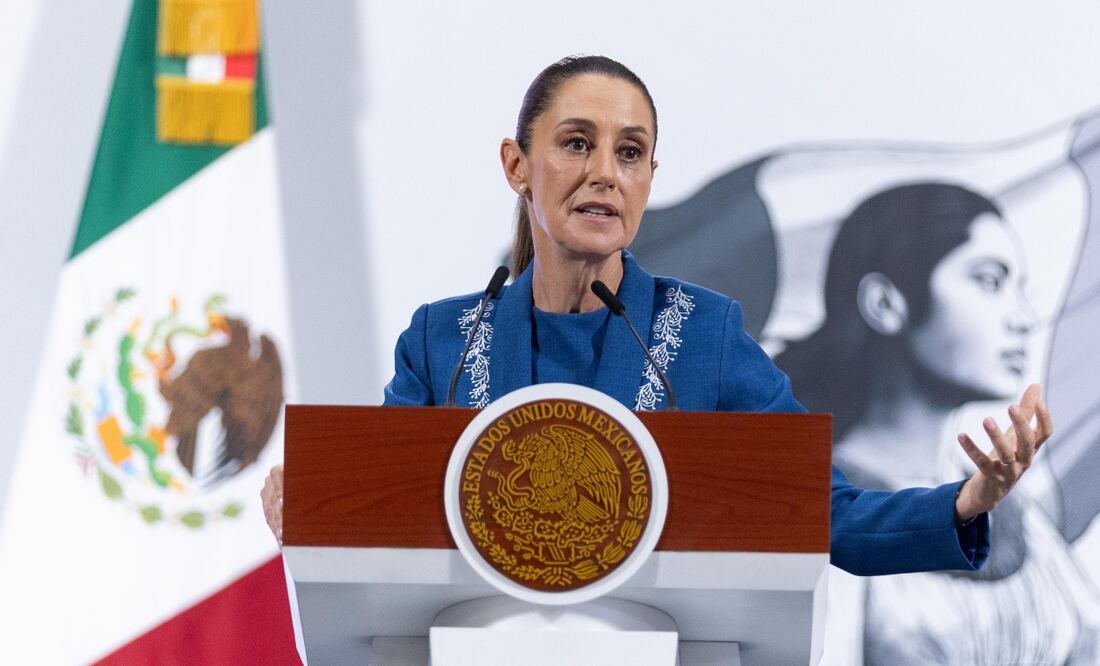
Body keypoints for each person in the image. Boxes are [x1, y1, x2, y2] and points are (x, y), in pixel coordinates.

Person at [261, 55, 1052, 579]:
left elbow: (826, 514)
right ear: (517, 166)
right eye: (577, 143)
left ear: (648, 178)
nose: (606, 173)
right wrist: (315, 525)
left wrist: (964, 504)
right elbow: (387, 526)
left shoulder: (706, 335)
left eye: (631, 152)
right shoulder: (441, 342)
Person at [774, 183, 1098, 664]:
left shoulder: (1014, 511)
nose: (1024, 317)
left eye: (1019, 288)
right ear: (886, 304)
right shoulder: (814, 506)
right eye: (989, 281)